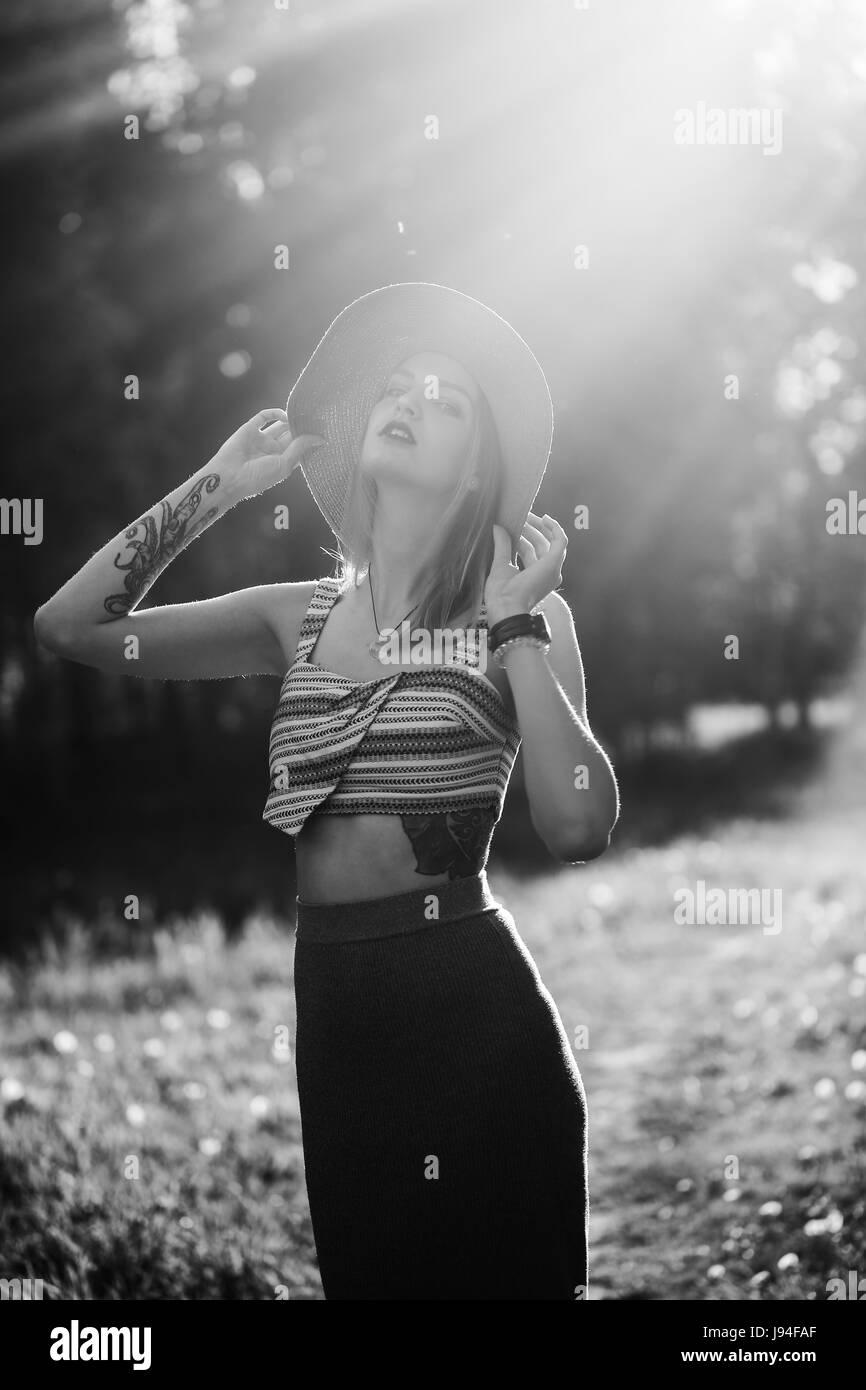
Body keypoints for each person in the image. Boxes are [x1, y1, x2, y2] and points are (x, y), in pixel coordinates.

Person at [34, 281, 619, 1300]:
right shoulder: (291, 616)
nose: (408, 401)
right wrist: (218, 483)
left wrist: (517, 625)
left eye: (446, 402)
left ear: (478, 464)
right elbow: (71, 628)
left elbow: (575, 825)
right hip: (340, 1026)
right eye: (398, 387)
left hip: (478, 1016)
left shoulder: (526, 611)